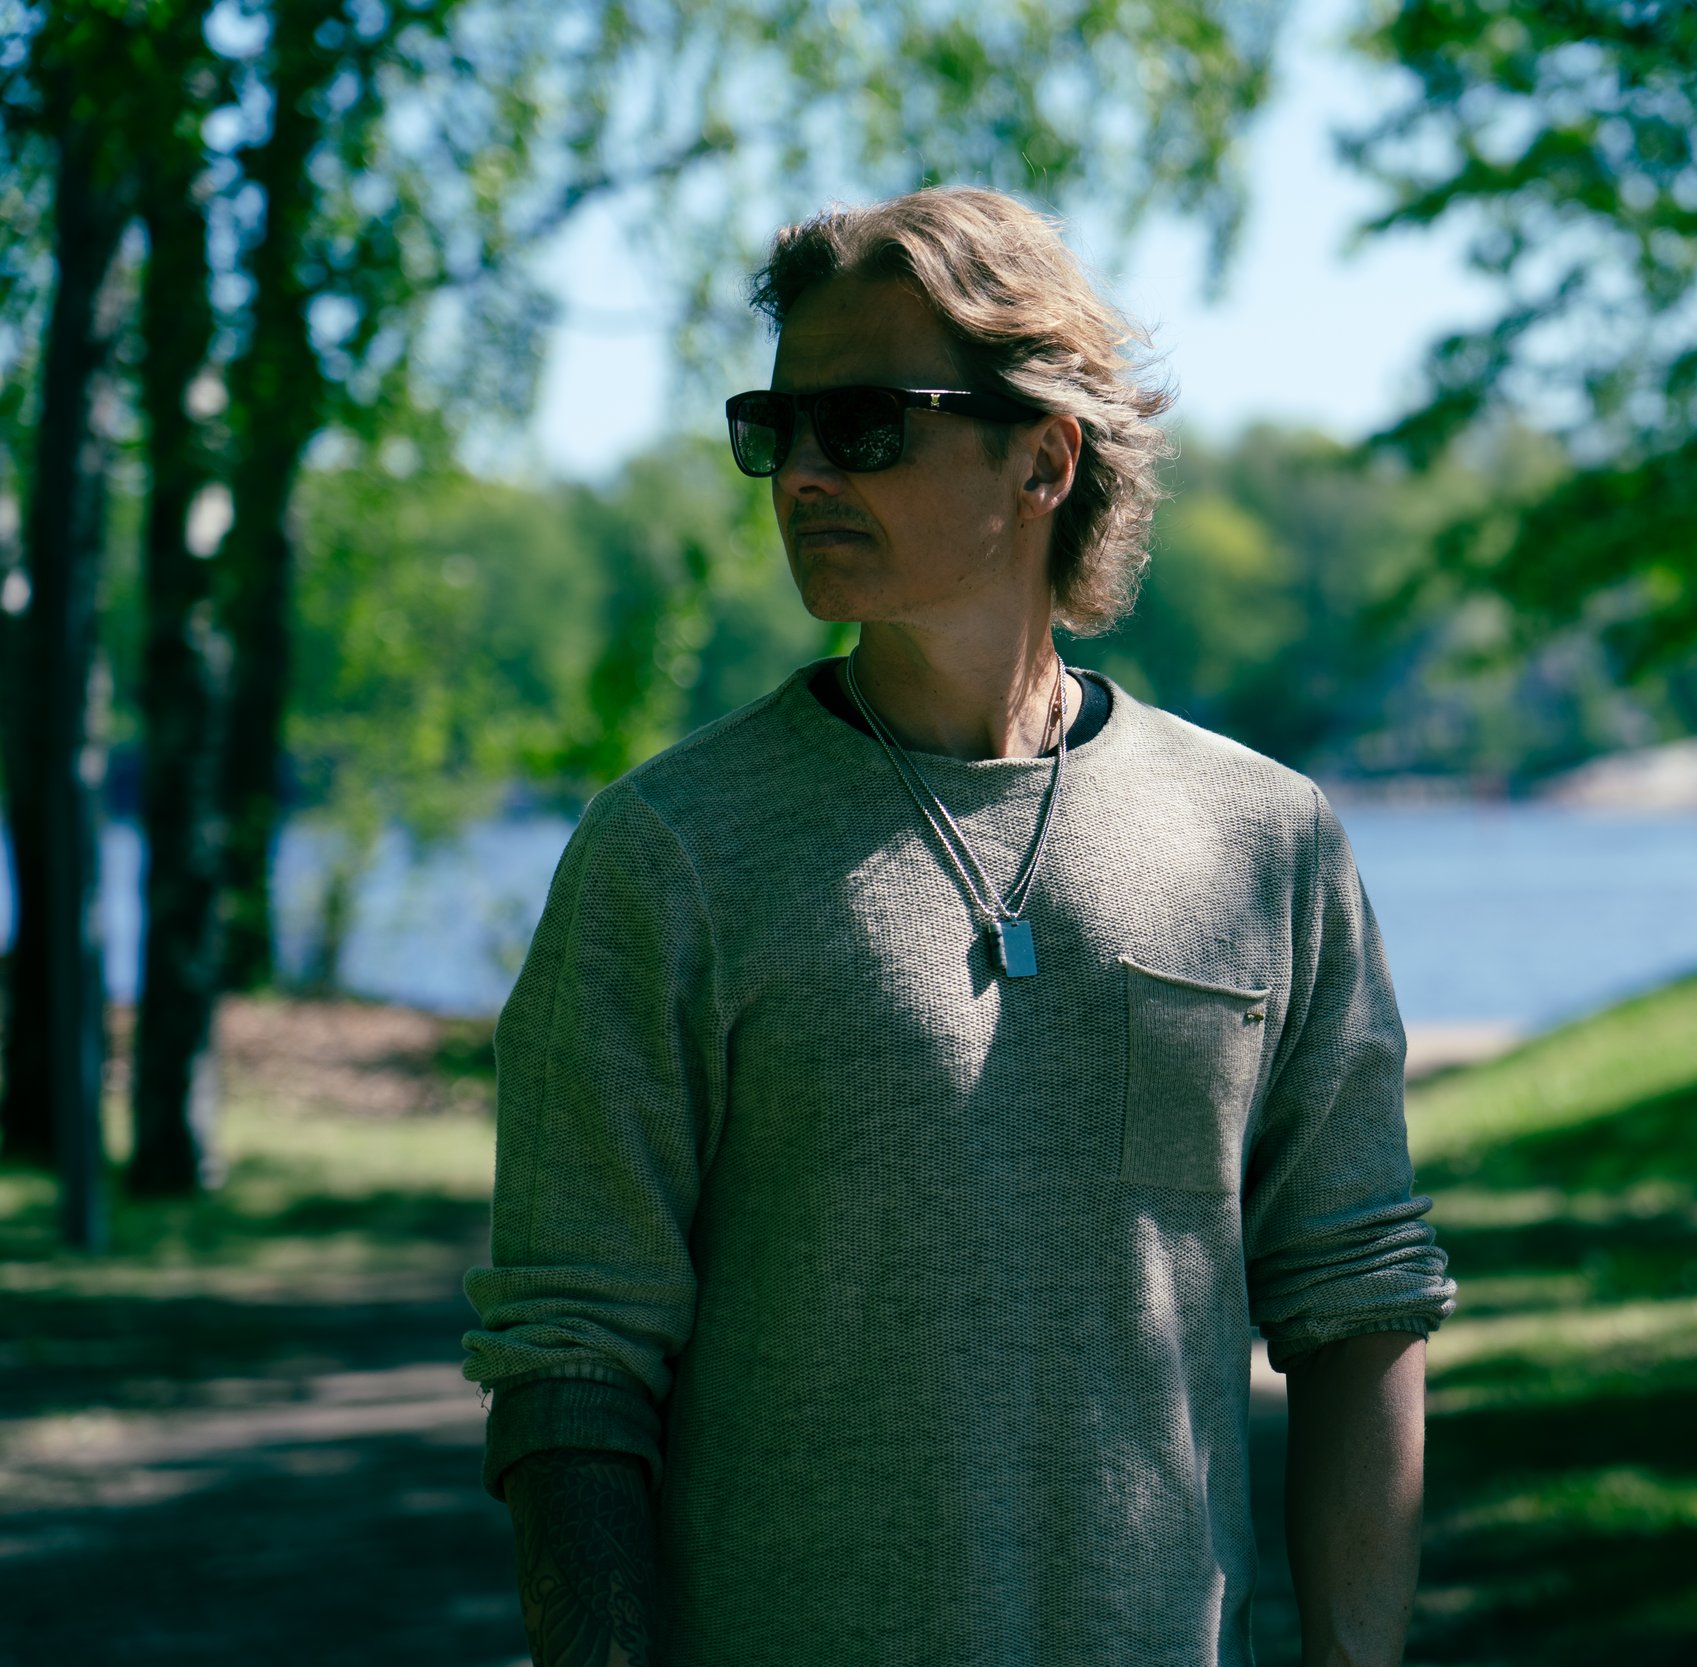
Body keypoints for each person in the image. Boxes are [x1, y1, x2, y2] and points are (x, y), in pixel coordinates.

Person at [459, 184, 1456, 1667]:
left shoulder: (1266, 843)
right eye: (775, 427)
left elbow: (1358, 1291)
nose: (803, 471)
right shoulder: (668, 856)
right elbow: (570, 1359)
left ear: (1045, 456)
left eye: (865, 425)